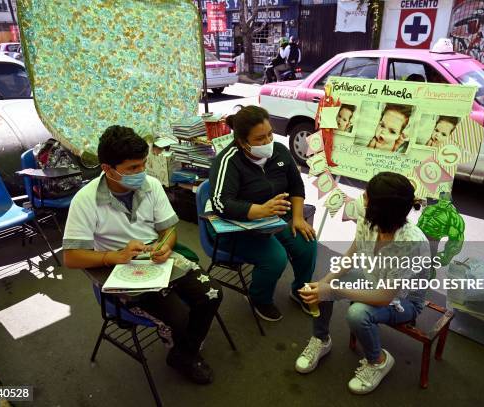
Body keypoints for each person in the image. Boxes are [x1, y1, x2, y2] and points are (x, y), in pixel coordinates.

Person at [63, 125, 223, 385]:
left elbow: (169, 228)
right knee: (178, 316)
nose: (141, 173)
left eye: (143, 165)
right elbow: (71, 257)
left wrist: (166, 246)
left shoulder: (150, 185)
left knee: (211, 295)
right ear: (107, 168)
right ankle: (184, 352)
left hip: (155, 256)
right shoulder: (85, 200)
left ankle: (184, 351)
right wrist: (113, 256)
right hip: (119, 268)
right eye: (132, 169)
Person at [294, 172, 430, 394]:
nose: (361, 198)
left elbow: (386, 297)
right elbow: (349, 257)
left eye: (366, 196)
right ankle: (321, 339)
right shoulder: (369, 222)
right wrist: (325, 283)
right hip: (372, 279)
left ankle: (378, 360)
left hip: (403, 300)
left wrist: (335, 289)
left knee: (357, 313)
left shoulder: (410, 243)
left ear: (380, 210)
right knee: (321, 287)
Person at [209, 106, 317, 322]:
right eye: (259, 138)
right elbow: (220, 203)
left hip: (277, 220)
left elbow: (296, 186)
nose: (267, 141)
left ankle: (299, 291)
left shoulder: (280, 151)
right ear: (241, 141)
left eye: (269, 134)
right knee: (275, 258)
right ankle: (259, 298)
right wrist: (260, 210)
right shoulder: (228, 160)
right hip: (242, 229)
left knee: (307, 242)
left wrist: (297, 218)